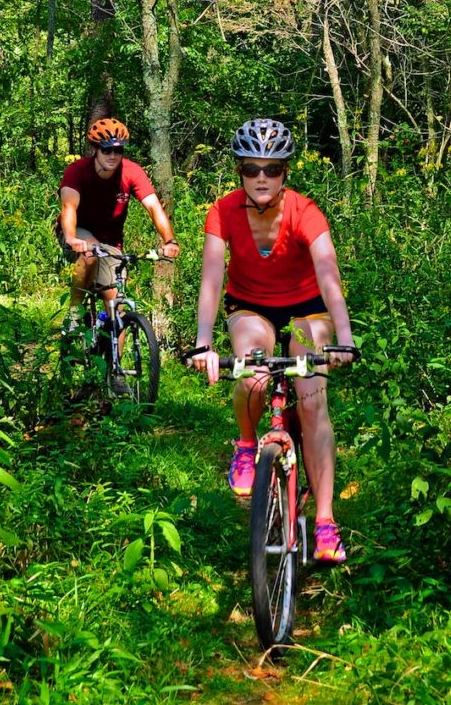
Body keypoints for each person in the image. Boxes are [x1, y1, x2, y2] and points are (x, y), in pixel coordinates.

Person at [191, 118, 355, 563]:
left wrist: (345, 338)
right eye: (250, 168)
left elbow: (329, 274)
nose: (261, 177)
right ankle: (247, 445)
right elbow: (211, 278)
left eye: (272, 168)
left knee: (313, 399)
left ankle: (324, 522)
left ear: (285, 172)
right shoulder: (222, 212)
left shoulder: (306, 213)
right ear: (239, 171)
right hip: (250, 307)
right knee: (252, 369)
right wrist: (205, 343)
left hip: (307, 309)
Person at [56, 118, 180, 340]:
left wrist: (169, 240)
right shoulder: (77, 171)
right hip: (79, 231)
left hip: (111, 242)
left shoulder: (132, 171)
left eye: (118, 150)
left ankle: (116, 372)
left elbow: (153, 206)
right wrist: (72, 237)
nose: (113, 156)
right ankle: (74, 310)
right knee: (90, 253)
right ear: (95, 150)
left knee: (117, 309)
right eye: (106, 150)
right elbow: (69, 206)